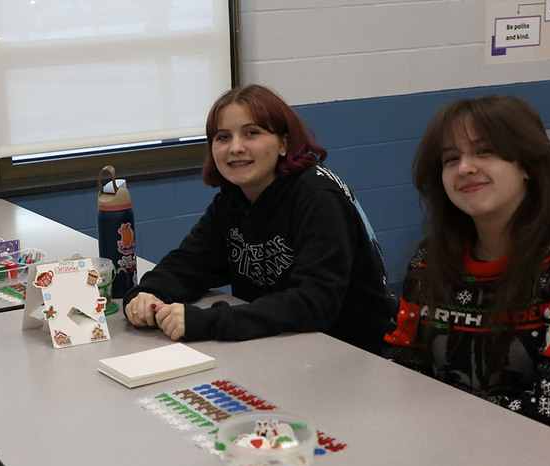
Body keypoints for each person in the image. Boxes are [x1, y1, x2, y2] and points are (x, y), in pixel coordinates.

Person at [383, 94, 550, 458]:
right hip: (456, 446)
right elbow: (400, 371)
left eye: (484, 152)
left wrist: (445, 429)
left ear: (527, 165)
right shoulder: (430, 261)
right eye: (450, 159)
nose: (464, 168)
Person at [122, 85, 393, 352]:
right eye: (223, 137)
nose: (236, 148)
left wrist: (204, 321)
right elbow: (189, 264)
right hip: (282, 345)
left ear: (283, 143)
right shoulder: (233, 200)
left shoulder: (318, 197)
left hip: (355, 353)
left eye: (252, 133)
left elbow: (313, 305)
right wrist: (148, 293)